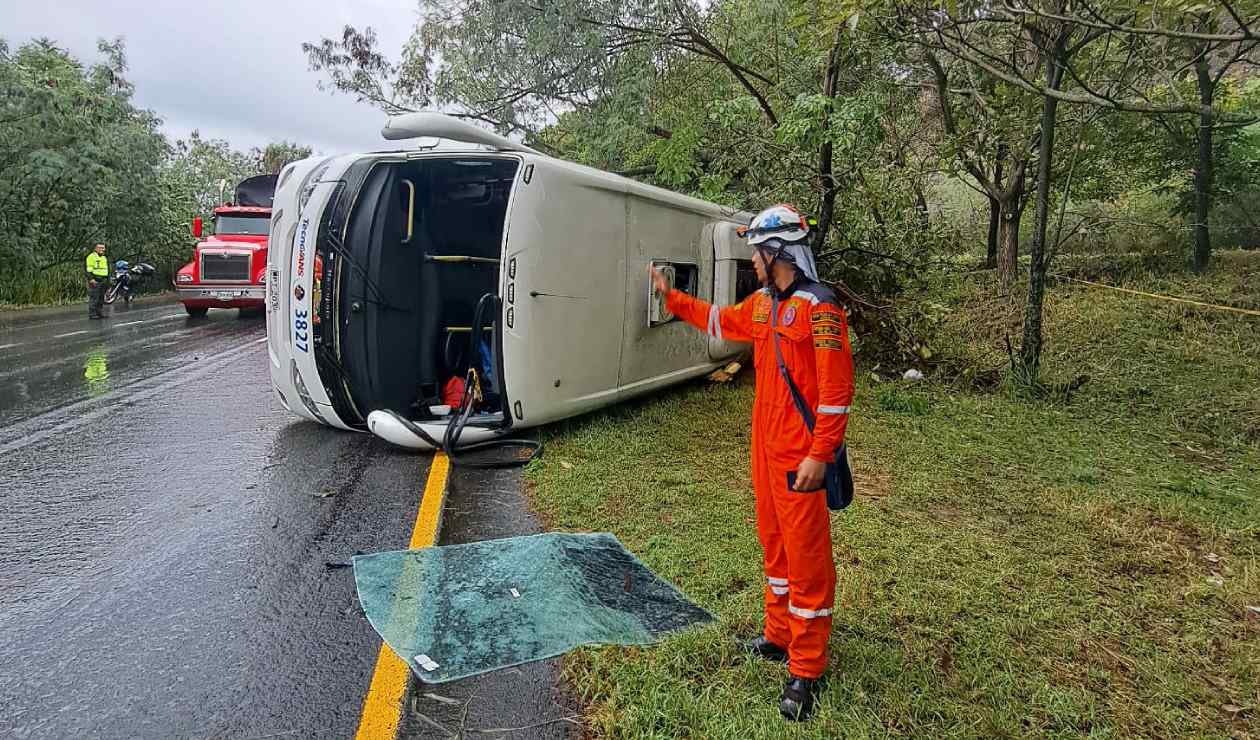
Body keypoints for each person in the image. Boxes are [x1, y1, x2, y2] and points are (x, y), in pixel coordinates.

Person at [649, 204, 854, 722]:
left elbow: (835, 393)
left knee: (807, 560)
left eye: (756, 253)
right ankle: (778, 635)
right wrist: (672, 299)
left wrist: (819, 453)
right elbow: (720, 320)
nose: (753, 263)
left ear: (776, 252)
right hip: (764, 451)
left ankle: (806, 668)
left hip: (800, 457)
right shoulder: (763, 305)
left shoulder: (820, 308)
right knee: (774, 544)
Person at [86, 243, 109, 319]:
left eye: (103, 248)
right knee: (94, 298)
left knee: (101, 298)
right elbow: (88, 270)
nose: (102, 249)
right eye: (100, 248)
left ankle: (99, 313)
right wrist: (91, 279)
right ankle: (92, 314)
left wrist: (108, 280)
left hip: (103, 280)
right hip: (95, 280)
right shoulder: (91, 257)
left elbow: (106, 270)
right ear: (95, 248)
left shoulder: (104, 258)